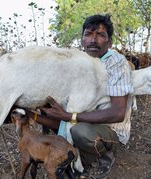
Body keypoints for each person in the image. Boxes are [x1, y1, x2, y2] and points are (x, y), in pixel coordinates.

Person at [26, 14, 133, 178]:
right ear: (82, 40)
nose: (93, 40)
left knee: (79, 130)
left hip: (110, 129)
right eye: (88, 34)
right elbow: (63, 118)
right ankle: (76, 154)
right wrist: (30, 114)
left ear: (109, 42)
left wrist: (70, 115)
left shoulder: (115, 62)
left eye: (100, 35)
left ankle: (104, 155)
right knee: (59, 114)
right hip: (81, 119)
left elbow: (118, 113)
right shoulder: (79, 64)